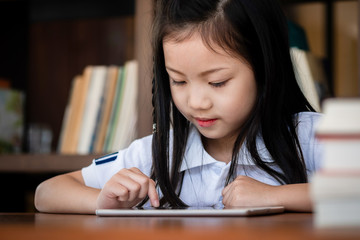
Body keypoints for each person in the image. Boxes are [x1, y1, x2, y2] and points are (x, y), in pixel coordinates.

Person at [34, 0, 323, 214]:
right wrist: (102, 203)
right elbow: (46, 193)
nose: (196, 102)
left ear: (265, 69)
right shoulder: (158, 153)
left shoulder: (310, 136)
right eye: (179, 81)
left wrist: (276, 196)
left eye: (218, 82)